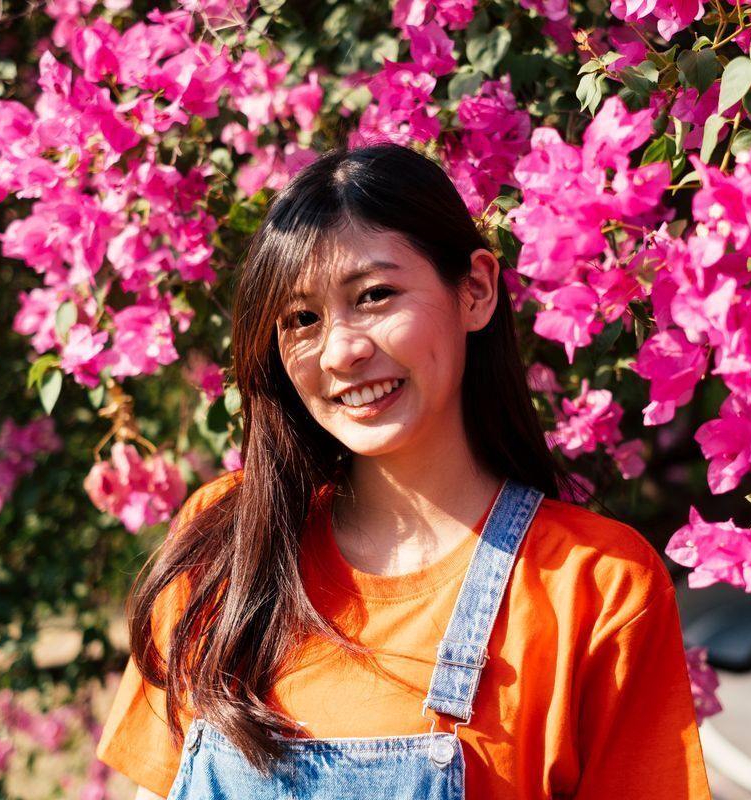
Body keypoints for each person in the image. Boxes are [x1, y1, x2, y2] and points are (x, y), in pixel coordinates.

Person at [96, 143, 711, 799]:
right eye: (302, 318)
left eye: (375, 295)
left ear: (474, 290)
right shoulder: (227, 544)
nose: (341, 350)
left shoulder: (595, 586)